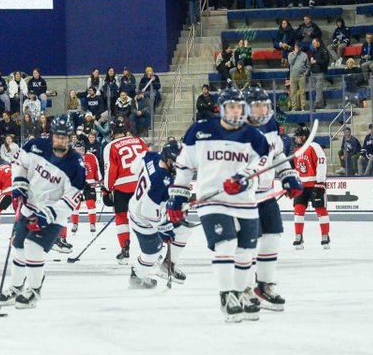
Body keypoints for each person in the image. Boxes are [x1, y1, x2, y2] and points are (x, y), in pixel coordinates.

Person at [166, 87, 272, 322]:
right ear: (221, 109)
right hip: (212, 201)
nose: (235, 112)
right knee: (227, 244)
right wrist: (177, 198)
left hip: (245, 201)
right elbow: (185, 167)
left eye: (239, 107)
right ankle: (226, 296)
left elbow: (263, 165)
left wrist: (244, 178)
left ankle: (239, 292)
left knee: (246, 252)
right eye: (231, 107)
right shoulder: (200, 131)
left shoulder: (254, 137)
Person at [0, 115, 86, 310]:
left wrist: (48, 215)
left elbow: (72, 198)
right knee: (19, 247)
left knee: (33, 247)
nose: (61, 140)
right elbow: (19, 164)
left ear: (70, 138)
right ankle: (16, 287)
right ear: (51, 135)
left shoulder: (76, 165)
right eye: (58, 136)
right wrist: (19, 183)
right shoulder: (35, 145)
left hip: (53, 216)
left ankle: (34, 291)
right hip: (29, 207)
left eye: (65, 137)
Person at [243, 86, 303, 310]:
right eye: (256, 105)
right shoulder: (236, 128)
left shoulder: (269, 125)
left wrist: (288, 175)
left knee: (272, 236)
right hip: (244, 196)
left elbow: (277, 153)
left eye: (264, 105)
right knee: (247, 244)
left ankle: (263, 286)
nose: (261, 109)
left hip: (266, 192)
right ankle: (244, 289)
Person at [127, 139, 185, 289]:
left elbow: (134, 168)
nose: (177, 166)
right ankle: (137, 276)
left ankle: (167, 264)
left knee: (183, 228)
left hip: (137, 208)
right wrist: (163, 227)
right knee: (152, 254)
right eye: (174, 162)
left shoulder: (151, 155)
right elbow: (148, 211)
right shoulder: (162, 180)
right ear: (166, 158)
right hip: (143, 221)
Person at [101, 123, 148, 262]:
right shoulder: (140, 141)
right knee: (144, 217)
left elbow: (110, 170)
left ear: (112, 132)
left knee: (122, 217)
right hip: (142, 184)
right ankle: (151, 249)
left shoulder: (111, 146)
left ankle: (125, 250)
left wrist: (107, 189)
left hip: (122, 187)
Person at [291, 126, 329, 248]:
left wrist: (320, 182)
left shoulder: (314, 147)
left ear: (304, 137)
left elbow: (321, 163)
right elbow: (297, 169)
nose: (296, 139)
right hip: (301, 186)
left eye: (298, 137)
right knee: (298, 210)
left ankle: (325, 236)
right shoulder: (297, 151)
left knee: (320, 210)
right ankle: (298, 237)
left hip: (314, 185)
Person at [69, 137, 101, 235]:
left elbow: (97, 170)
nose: (80, 151)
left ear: (85, 148)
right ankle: (75, 224)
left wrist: (99, 180)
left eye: (81, 149)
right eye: (77, 149)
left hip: (89, 183)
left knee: (91, 203)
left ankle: (92, 224)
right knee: (75, 205)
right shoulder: (71, 157)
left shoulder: (91, 156)